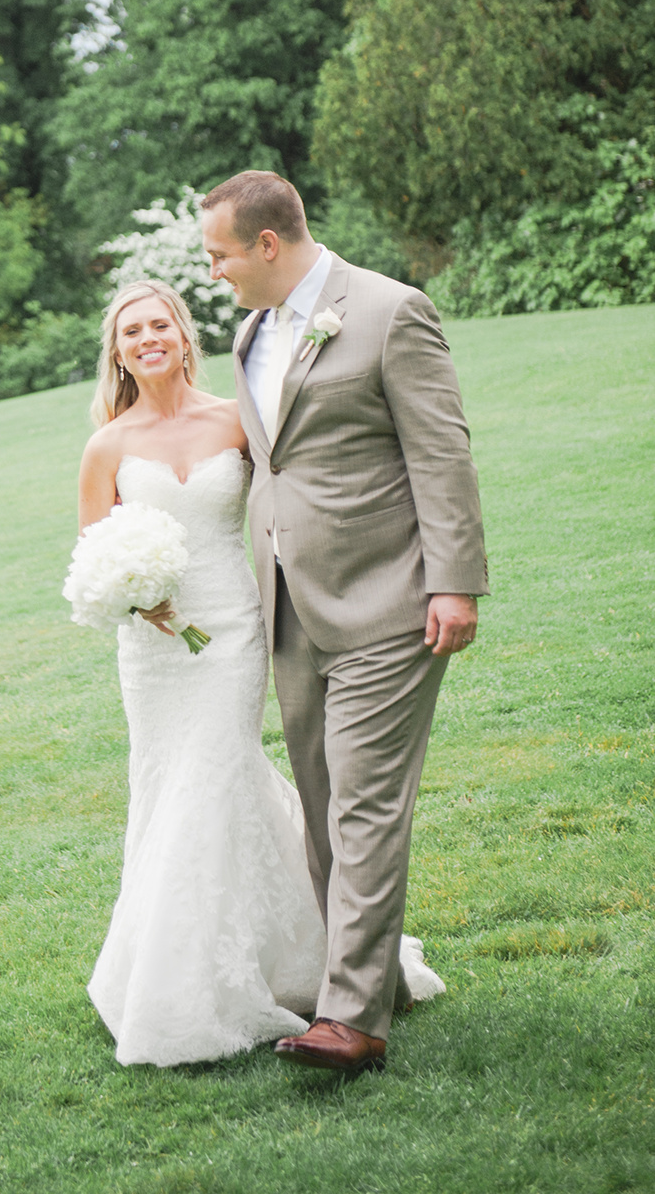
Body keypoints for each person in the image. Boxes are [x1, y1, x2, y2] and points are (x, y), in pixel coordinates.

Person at [75, 279, 445, 1067]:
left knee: (217, 777)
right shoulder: (106, 445)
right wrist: (131, 599)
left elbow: (294, 488)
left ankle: (243, 977)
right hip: (153, 651)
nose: (147, 338)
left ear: (183, 336)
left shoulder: (235, 419)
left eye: (160, 324)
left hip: (236, 631)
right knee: (170, 786)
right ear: (117, 349)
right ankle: (197, 975)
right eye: (131, 330)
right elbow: (91, 552)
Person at [200, 171, 489, 1073]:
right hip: (289, 607)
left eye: (219, 256)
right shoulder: (251, 332)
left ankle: (351, 1020)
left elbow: (442, 453)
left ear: (268, 245)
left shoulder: (390, 311)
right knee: (323, 814)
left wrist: (455, 583)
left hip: (388, 598)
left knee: (364, 806)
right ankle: (376, 979)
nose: (215, 275)